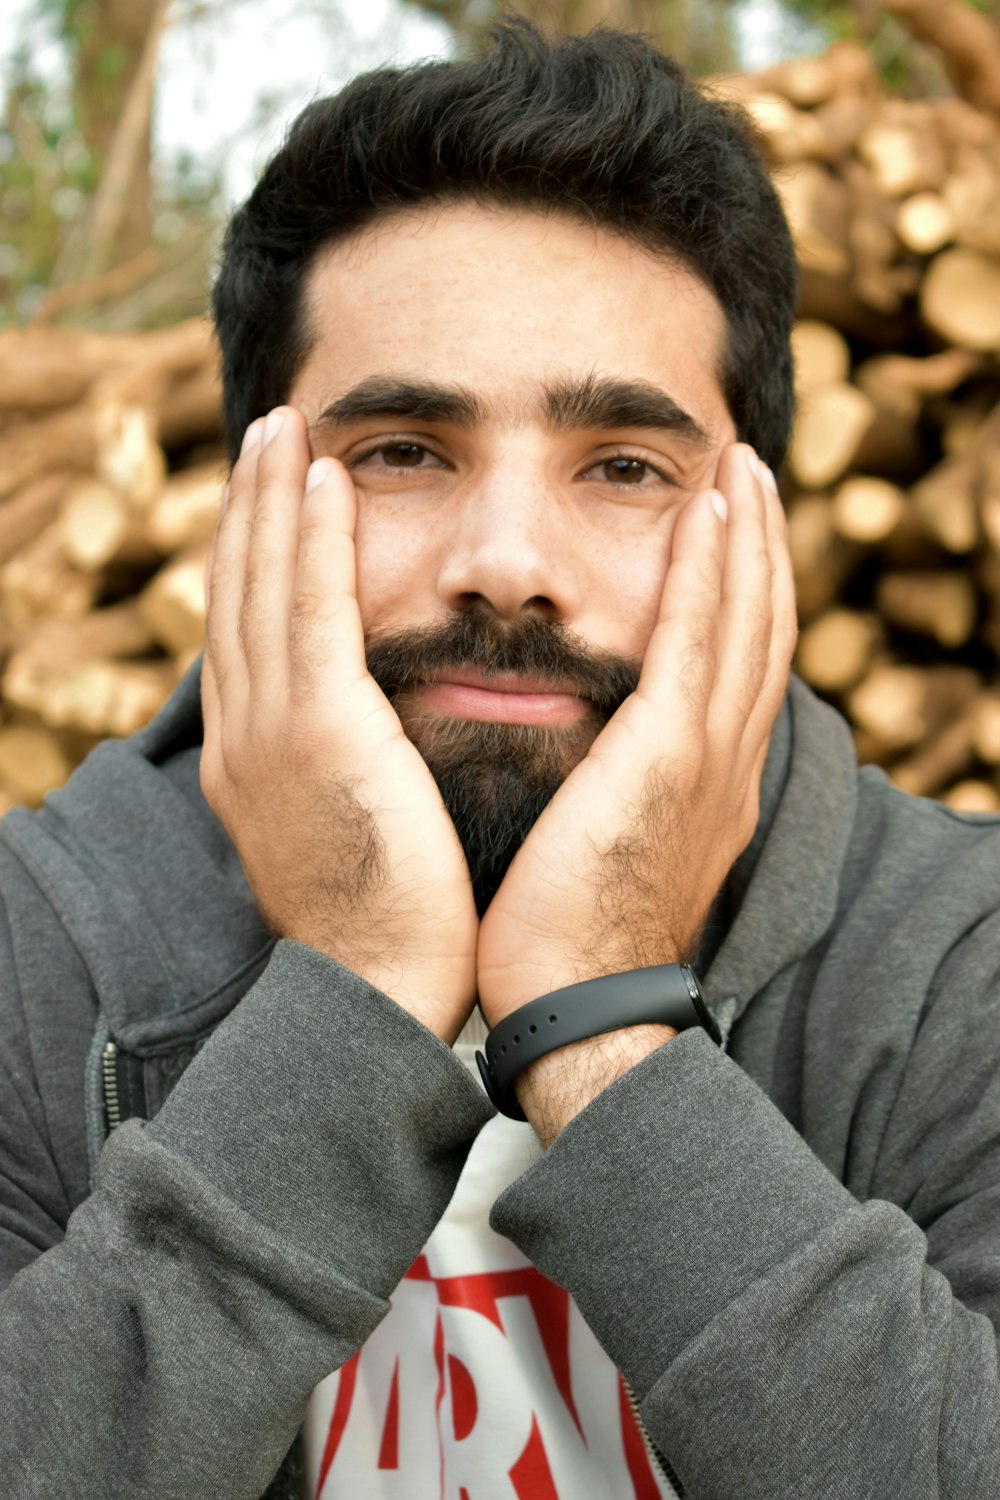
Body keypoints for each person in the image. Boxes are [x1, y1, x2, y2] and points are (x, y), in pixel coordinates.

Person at [1, 16, 998, 1500]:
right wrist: (360, 989)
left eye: (624, 466)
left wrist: (597, 1012)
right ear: (249, 503)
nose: (509, 565)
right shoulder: (32, 944)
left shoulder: (961, 958)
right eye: (405, 447)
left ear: (760, 532)